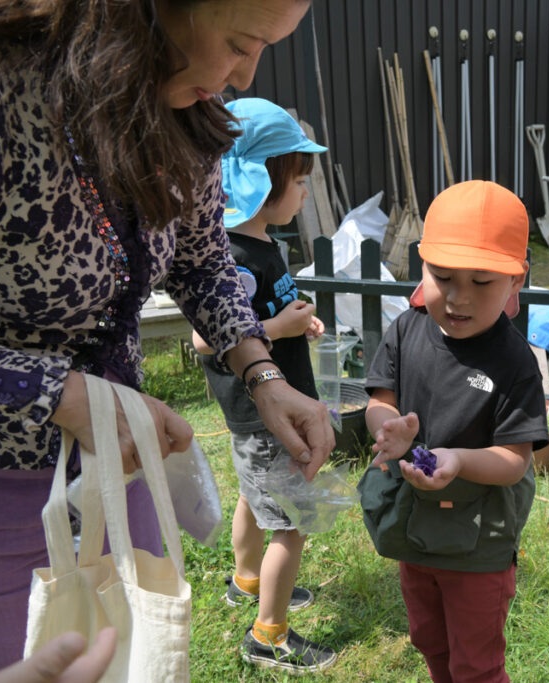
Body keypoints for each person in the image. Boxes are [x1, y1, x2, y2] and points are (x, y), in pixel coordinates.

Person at [0, 1, 334, 679]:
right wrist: (57, 393)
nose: (244, 75)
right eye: (241, 43)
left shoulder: (184, 111)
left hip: (118, 473)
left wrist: (262, 373)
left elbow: (202, 261)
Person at [358, 180, 549, 683]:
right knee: (429, 639)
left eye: (482, 282)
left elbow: (514, 461)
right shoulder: (408, 328)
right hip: (413, 523)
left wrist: (459, 460)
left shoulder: (515, 362)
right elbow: (380, 401)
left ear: (515, 281)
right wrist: (389, 429)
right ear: (422, 265)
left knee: (476, 663)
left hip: (479, 539)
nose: (459, 298)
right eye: (442, 277)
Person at [191, 97, 335, 672]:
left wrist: (296, 321)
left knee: (254, 502)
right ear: (260, 180)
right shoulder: (234, 256)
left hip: (258, 413)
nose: (305, 194)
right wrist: (279, 328)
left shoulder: (259, 243)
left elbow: (261, 312)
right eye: (298, 182)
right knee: (291, 526)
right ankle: (268, 634)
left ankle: (246, 580)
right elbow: (206, 339)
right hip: (265, 416)